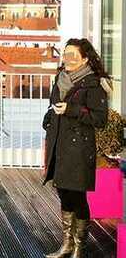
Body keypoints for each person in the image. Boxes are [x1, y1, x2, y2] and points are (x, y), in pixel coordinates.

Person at [42, 38, 112, 258]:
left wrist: (71, 110)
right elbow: (54, 106)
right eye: (66, 54)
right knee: (64, 193)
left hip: (80, 148)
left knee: (78, 196)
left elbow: (100, 119)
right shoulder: (60, 78)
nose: (68, 59)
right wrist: (49, 117)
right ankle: (66, 245)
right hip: (59, 144)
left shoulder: (93, 83)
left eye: (73, 55)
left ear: (84, 58)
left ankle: (79, 247)